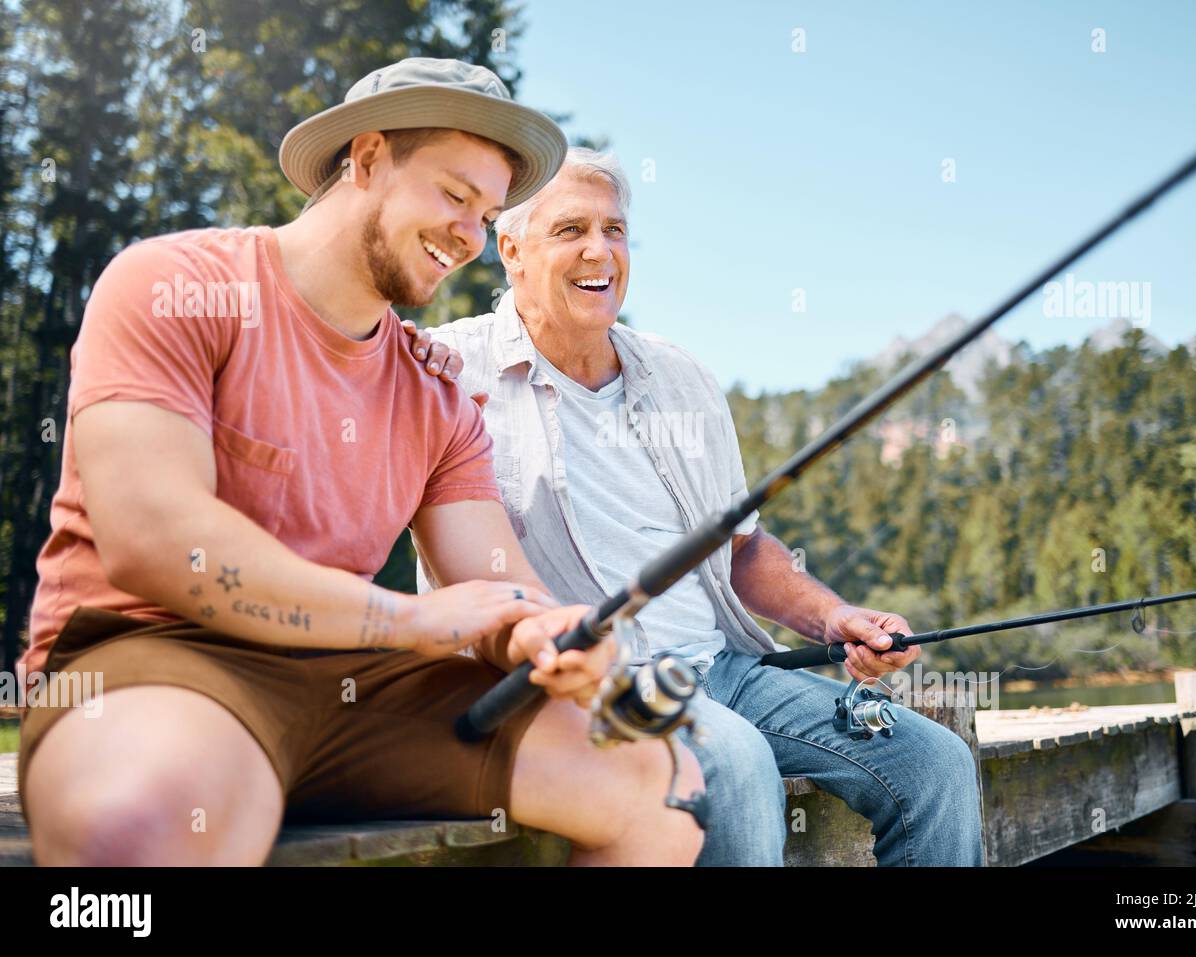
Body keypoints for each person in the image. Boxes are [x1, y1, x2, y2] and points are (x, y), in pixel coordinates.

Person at [17, 59, 704, 866]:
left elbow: (497, 582)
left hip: (354, 688)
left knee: (658, 780)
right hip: (160, 658)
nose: (470, 237)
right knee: (141, 829)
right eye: (455, 196)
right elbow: (158, 540)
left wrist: (546, 630)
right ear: (369, 157)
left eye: (487, 214)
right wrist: (408, 620)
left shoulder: (440, 401)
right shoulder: (176, 285)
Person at [404, 147, 984, 866]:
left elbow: (743, 549)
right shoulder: (447, 368)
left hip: (726, 669)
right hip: (586, 684)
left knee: (936, 764)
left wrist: (833, 617)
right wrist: (403, 380)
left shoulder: (681, 376)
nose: (600, 251)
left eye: (614, 230)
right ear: (512, 249)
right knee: (735, 763)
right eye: (571, 230)